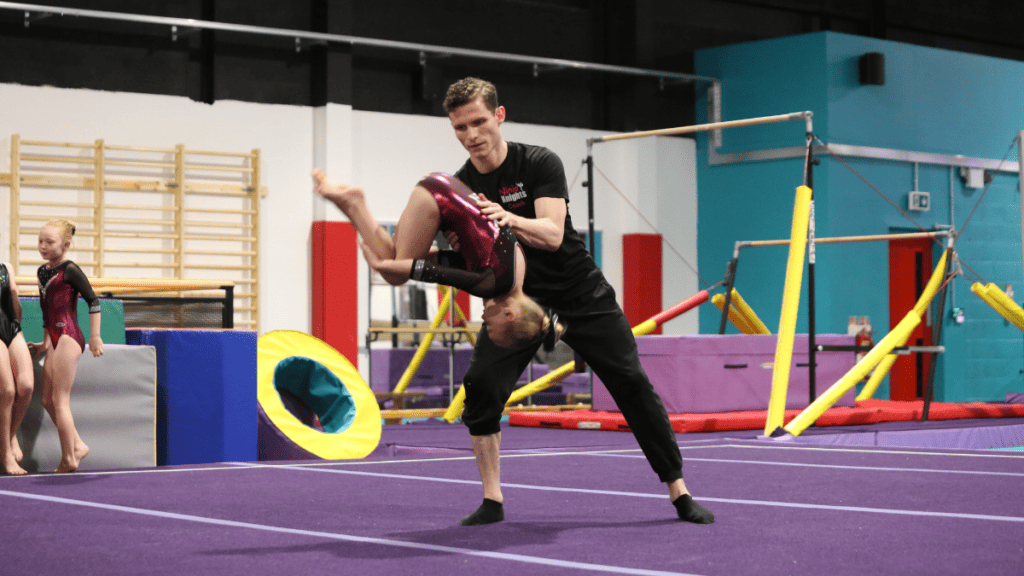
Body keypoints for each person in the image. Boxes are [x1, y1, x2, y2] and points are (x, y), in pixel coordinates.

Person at [444, 77, 715, 525]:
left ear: (499, 116)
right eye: (459, 128)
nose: (471, 135)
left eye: (477, 122)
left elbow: (551, 235)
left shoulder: (539, 162)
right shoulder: (461, 185)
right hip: (521, 296)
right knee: (481, 385)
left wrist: (506, 217)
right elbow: (476, 256)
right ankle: (492, 500)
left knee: (630, 380)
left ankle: (679, 491)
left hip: (578, 289)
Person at [312, 170, 562, 350]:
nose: (484, 320)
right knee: (394, 273)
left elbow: (445, 260)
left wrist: (396, 262)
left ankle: (353, 204)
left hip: (446, 189)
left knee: (395, 260)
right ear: (510, 315)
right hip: (439, 199)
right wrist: (380, 267)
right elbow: (432, 272)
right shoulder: (493, 285)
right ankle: (354, 204)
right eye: (490, 324)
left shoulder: (514, 275)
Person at [29, 219, 103, 473]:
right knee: (47, 400)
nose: (43, 246)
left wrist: (95, 337)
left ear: (66, 244)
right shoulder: (41, 271)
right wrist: (45, 342)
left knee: (60, 400)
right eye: (40, 241)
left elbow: (93, 301)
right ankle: (79, 445)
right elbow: (45, 310)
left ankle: (69, 458)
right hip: (54, 336)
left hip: (70, 336)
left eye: (50, 242)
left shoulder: (70, 270)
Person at [0, 261, 34, 475]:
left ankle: (11, 434)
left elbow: (14, 303)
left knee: (26, 386)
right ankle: (4, 453)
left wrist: (18, 333)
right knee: (8, 391)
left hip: (10, 326)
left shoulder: (5, 267)